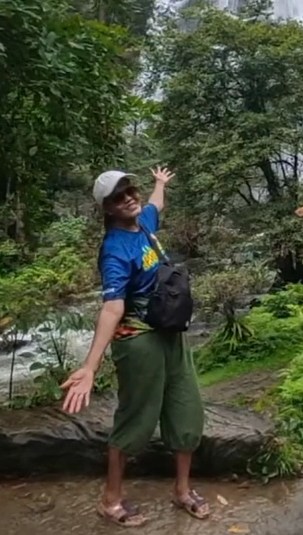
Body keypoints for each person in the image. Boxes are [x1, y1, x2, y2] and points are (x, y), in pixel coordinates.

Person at [60, 167, 210, 527]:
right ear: (107, 209)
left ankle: (182, 490)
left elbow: (156, 205)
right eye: (117, 197)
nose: (128, 197)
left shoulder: (143, 222)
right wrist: (90, 367)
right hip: (138, 339)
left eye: (129, 190)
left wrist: (160, 183)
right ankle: (110, 501)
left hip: (171, 332)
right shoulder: (114, 250)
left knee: (186, 411)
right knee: (135, 420)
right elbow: (113, 306)